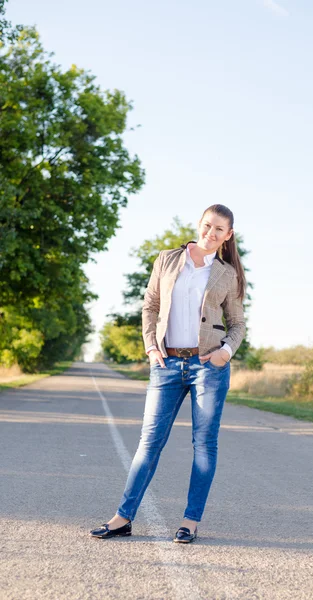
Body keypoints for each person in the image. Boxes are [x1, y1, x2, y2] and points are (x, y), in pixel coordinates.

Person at [90, 204, 246, 543]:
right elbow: (150, 305)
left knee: (203, 444)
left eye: (219, 229)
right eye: (207, 225)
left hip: (208, 367)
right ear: (199, 224)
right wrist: (150, 347)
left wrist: (225, 352)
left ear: (228, 235)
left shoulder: (227, 273)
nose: (211, 233)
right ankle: (122, 518)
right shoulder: (167, 260)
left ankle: (190, 522)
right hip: (167, 365)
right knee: (149, 443)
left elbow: (237, 324)